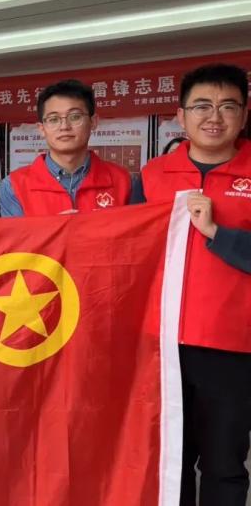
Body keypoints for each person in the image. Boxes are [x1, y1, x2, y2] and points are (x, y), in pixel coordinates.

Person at [137, 64, 251, 506]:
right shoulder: (153, 175)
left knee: (224, 465)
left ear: (244, 114)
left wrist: (218, 234)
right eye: (202, 106)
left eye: (228, 107)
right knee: (170, 463)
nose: (214, 117)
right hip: (161, 346)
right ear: (181, 116)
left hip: (233, 347)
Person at [0, 79, 131, 216]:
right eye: (53, 119)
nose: (64, 127)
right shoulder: (14, 186)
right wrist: (59, 227)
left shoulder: (123, 181)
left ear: (93, 122)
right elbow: (15, 231)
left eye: (75, 117)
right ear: (41, 128)